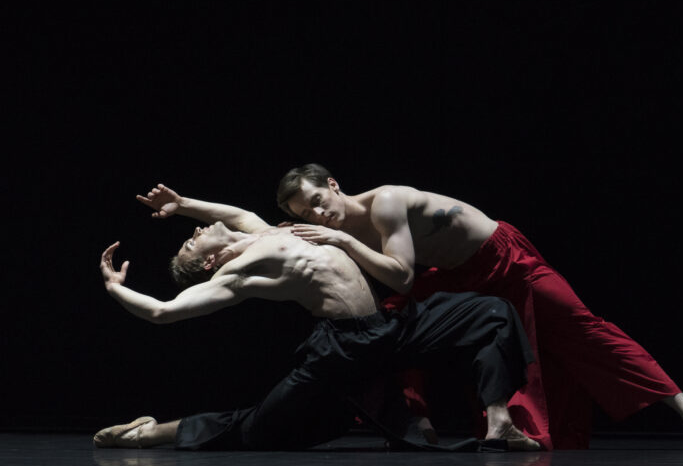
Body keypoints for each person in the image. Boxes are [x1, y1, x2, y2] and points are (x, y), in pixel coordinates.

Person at [275, 163, 683, 450]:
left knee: (585, 329)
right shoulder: (331, 229)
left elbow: (400, 272)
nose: (317, 216)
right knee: (390, 324)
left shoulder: (386, 202)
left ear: (334, 184)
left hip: (504, 260)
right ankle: (419, 425)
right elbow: (245, 223)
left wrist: (339, 239)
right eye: (305, 214)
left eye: (318, 201)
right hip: (455, 278)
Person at [93, 187, 541, 452]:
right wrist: (115, 288)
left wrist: (183, 202)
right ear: (209, 264)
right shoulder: (237, 271)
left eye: (189, 235)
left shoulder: (262, 233)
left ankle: (500, 420)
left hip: (386, 330)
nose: (193, 234)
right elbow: (162, 312)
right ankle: (151, 433)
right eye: (191, 246)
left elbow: (237, 215)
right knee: (260, 430)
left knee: (492, 313)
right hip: (341, 350)